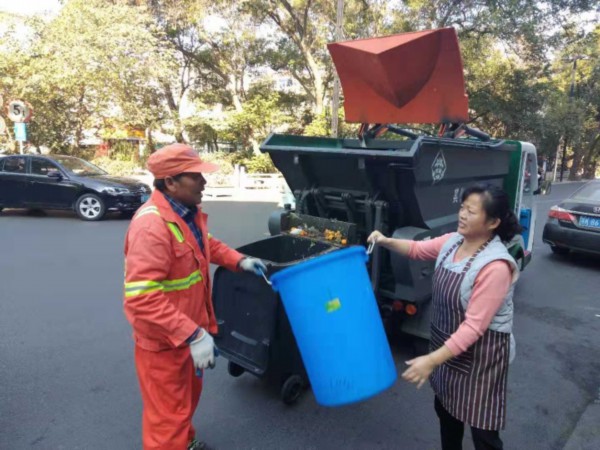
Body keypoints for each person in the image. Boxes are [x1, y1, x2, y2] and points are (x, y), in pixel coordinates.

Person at [123, 143, 267, 450]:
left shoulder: (185, 214)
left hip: (188, 335)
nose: (204, 182)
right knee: (167, 420)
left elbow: (207, 245)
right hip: (166, 344)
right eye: (196, 177)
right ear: (171, 182)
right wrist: (193, 335)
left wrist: (238, 260)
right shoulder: (151, 225)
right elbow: (141, 298)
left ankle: (185, 443)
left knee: (183, 406)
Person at [368, 183, 522, 450]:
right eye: (462, 207)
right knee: (447, 413)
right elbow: (417, 250)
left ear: (493, 222)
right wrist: (384, 240)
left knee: (483, 432)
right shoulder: (453, 242)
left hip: (482, 358)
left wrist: (431, 360)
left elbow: (474, 327)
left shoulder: (495, 266)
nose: (462, 214)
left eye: (471, 211)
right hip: (450, 351)